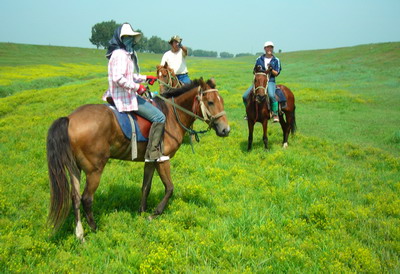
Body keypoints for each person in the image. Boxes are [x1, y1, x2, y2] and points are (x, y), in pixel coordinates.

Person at [103, 23, 168, 162]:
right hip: (124, 97)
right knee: (160, 117)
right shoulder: (120, 54)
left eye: (131, 37)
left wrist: (145, 78)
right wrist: (137, 88)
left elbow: (128, 76)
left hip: (124, 94)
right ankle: (153, 153)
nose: (130, 40)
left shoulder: (124, 54)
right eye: (127, 37)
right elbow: (118, 78)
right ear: (120, 39)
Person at [242, 41, 282, 122]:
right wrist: (256, 70)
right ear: (265, 48)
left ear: (273, 49)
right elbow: (254, 72)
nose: (269, 49)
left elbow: (277, 73)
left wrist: (271, 70)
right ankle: (248, 112)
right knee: (245, 96)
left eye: (271, 47)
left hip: (270, 81)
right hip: (259, 82)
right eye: (268, 47)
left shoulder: (276, 60)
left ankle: (275, 114)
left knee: (271, 95)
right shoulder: (259, 59)